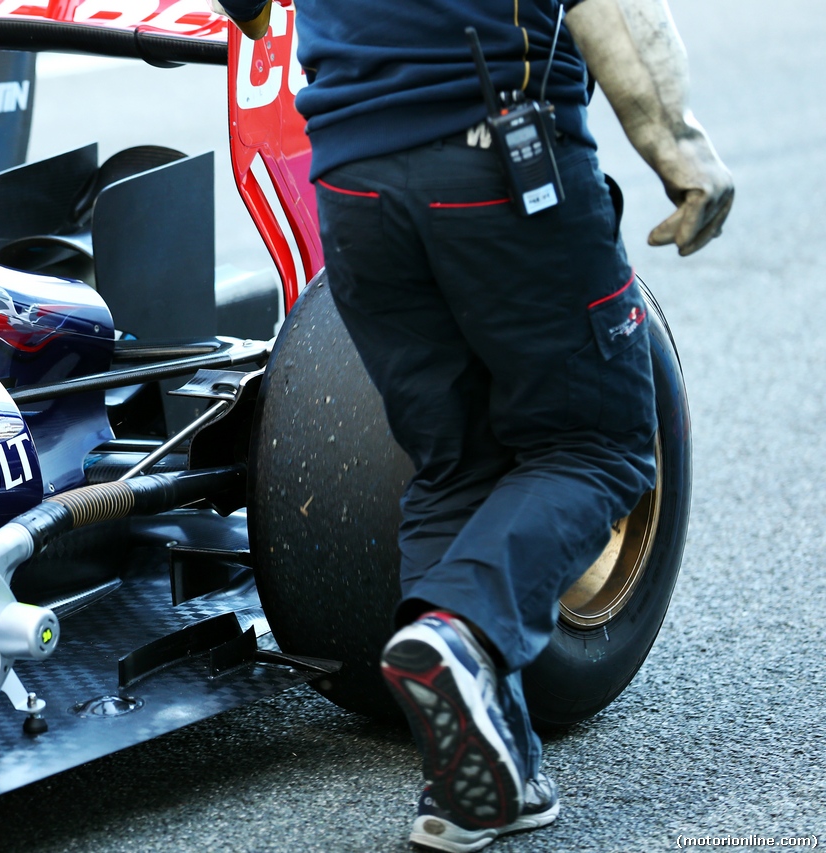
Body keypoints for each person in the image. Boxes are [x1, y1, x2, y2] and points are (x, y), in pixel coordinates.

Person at [212, 0, 733, 850]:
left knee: (451, 463)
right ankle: (461, 626)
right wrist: (678, 146)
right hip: (495, 155)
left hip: (351, 181)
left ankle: (480, 783)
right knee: (598, 446)